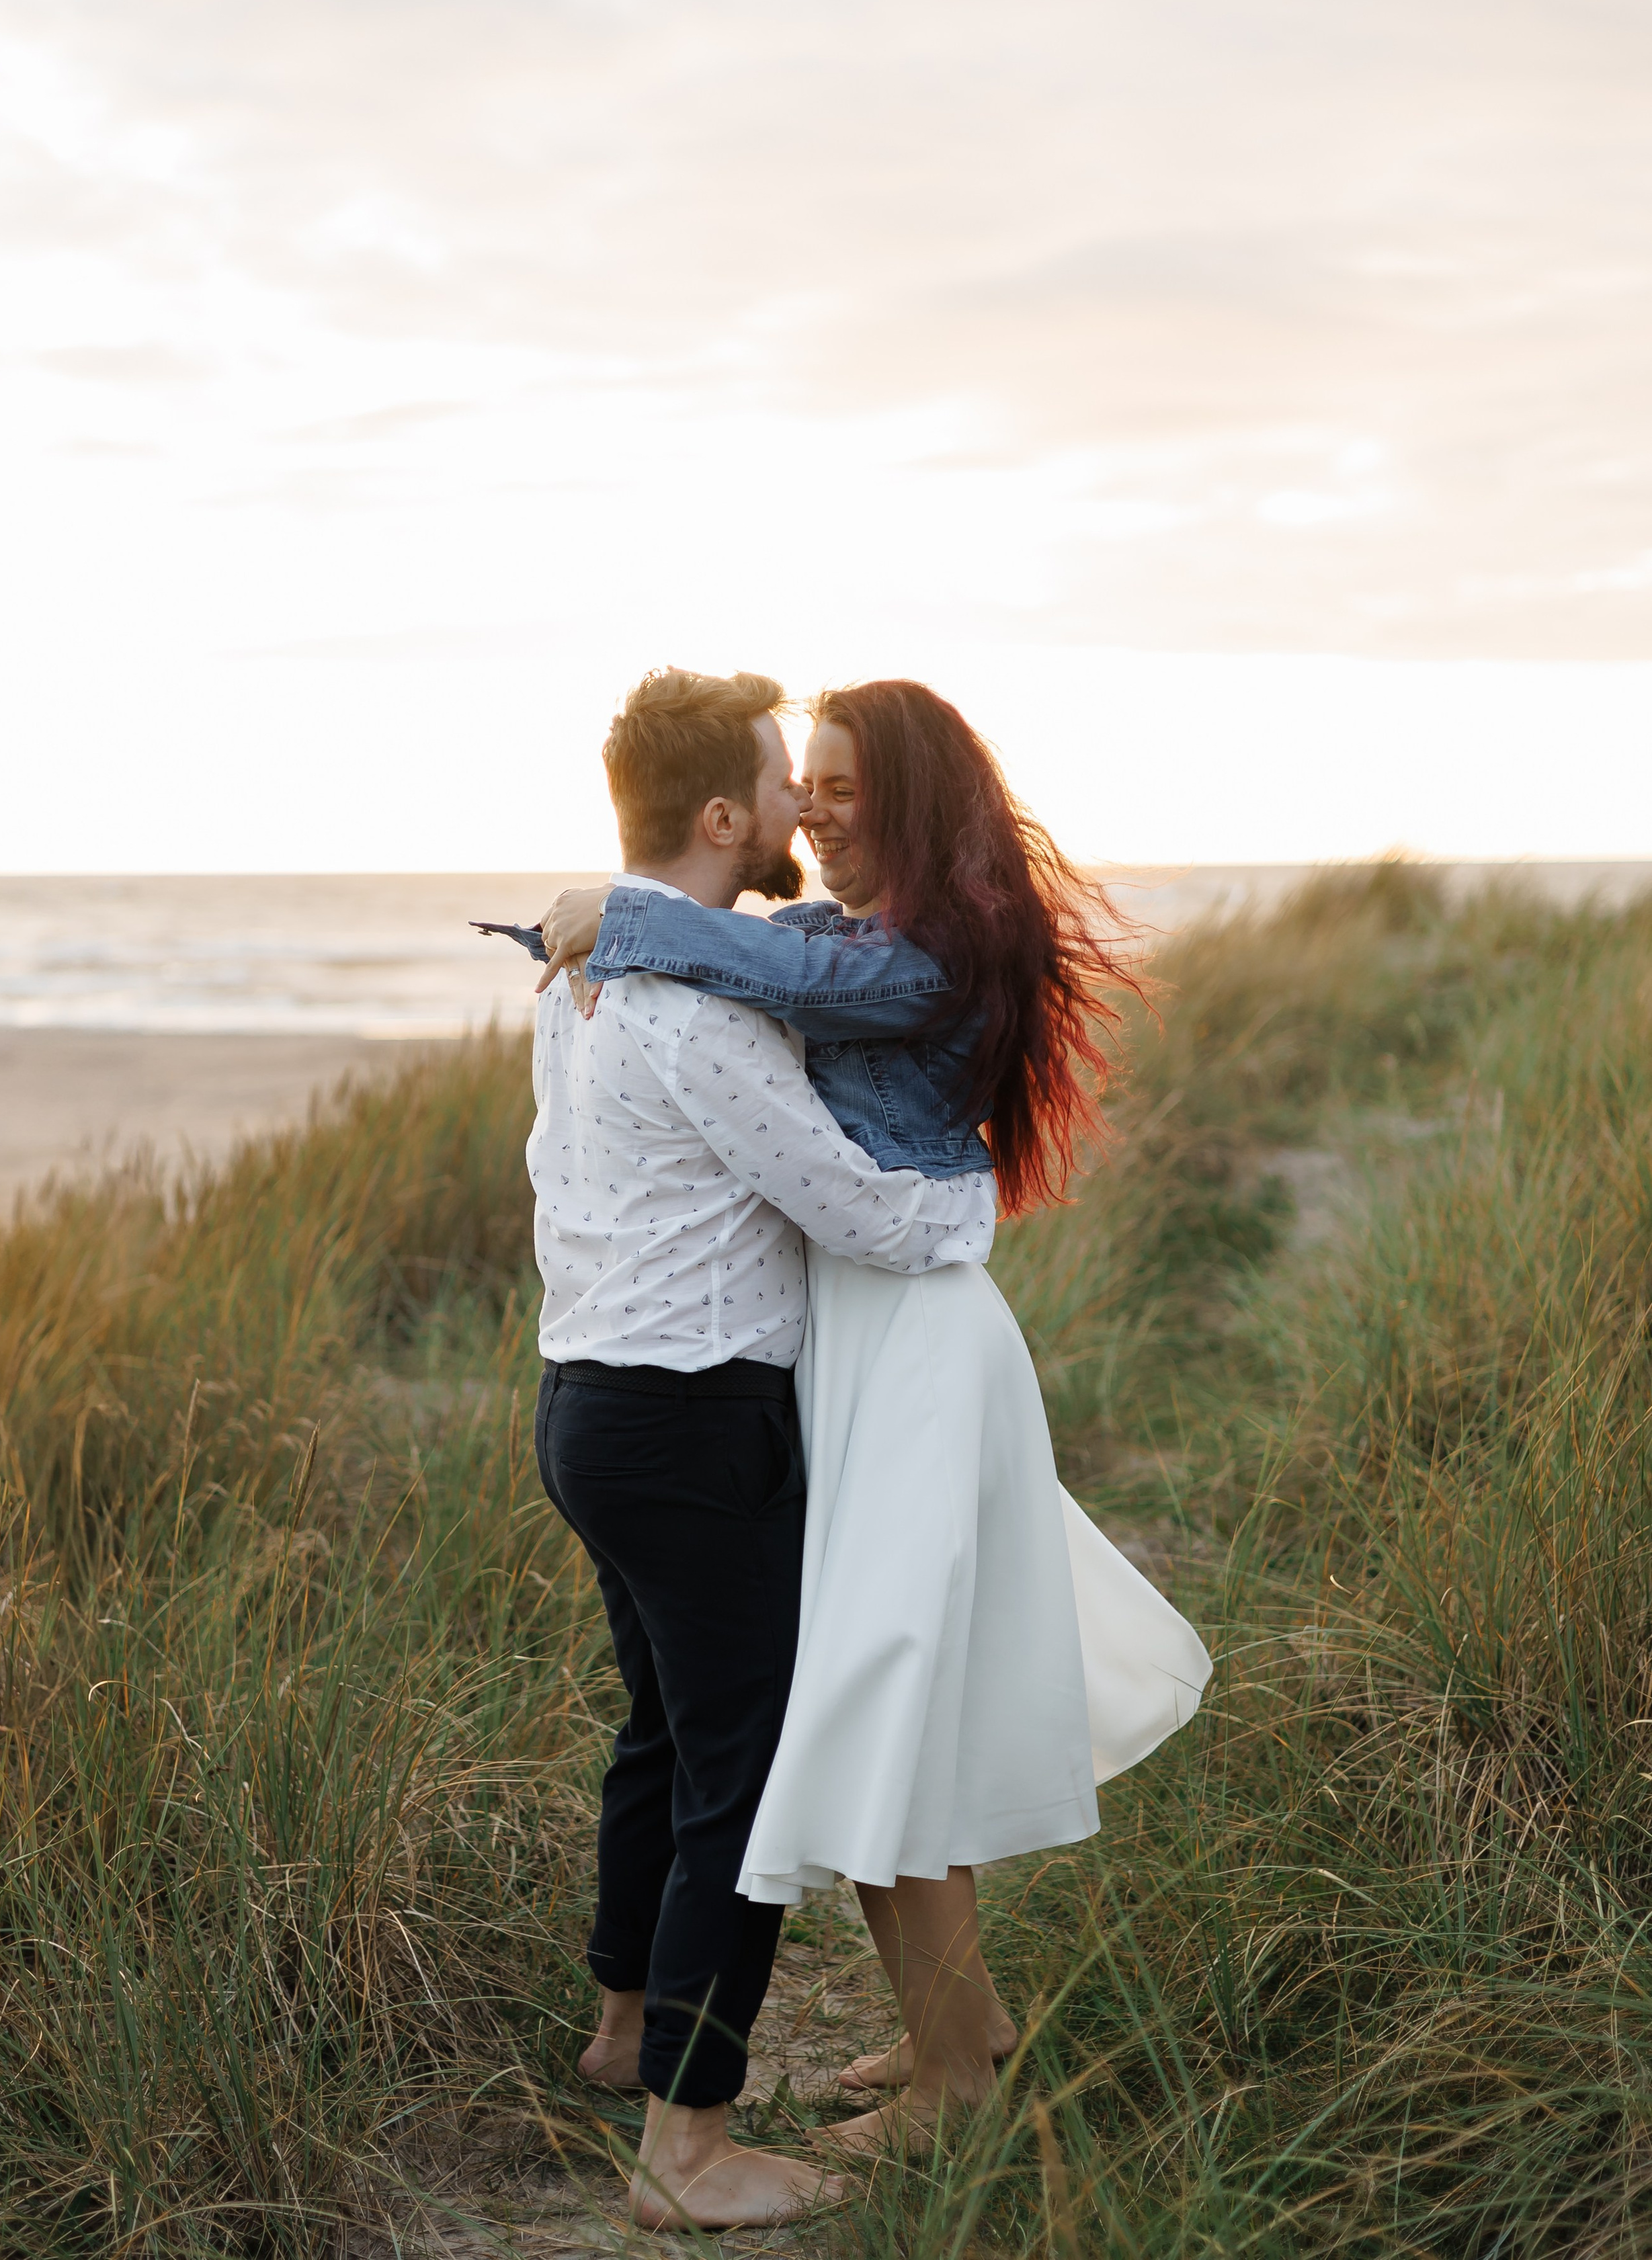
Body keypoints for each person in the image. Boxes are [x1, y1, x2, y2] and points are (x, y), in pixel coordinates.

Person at [537, 679, 1211, 2151]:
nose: (816, 809)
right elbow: (751, 964)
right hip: (845, 1337)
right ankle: (951, 2040)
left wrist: (620, 917)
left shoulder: (928, 952)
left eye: (840, 785)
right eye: (804, 781)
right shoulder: (820, 941)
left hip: (905, 1330)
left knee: (882, 1699)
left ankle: (950, 2084)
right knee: (871, 1696)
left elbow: (781, 1002)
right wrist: (620, 923)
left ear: (904, 798)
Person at [498, 669, 998, 2227]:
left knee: (659, 1730)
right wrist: (971, 1208)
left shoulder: (577, 982)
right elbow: (848, 1206)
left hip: (582, 1404)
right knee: (745, 1769)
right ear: (723, 818)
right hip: (690, 1422)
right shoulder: (704, 1012)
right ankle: (689, 2146)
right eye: (785, 784)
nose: (801, 809)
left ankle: (624, 2026)